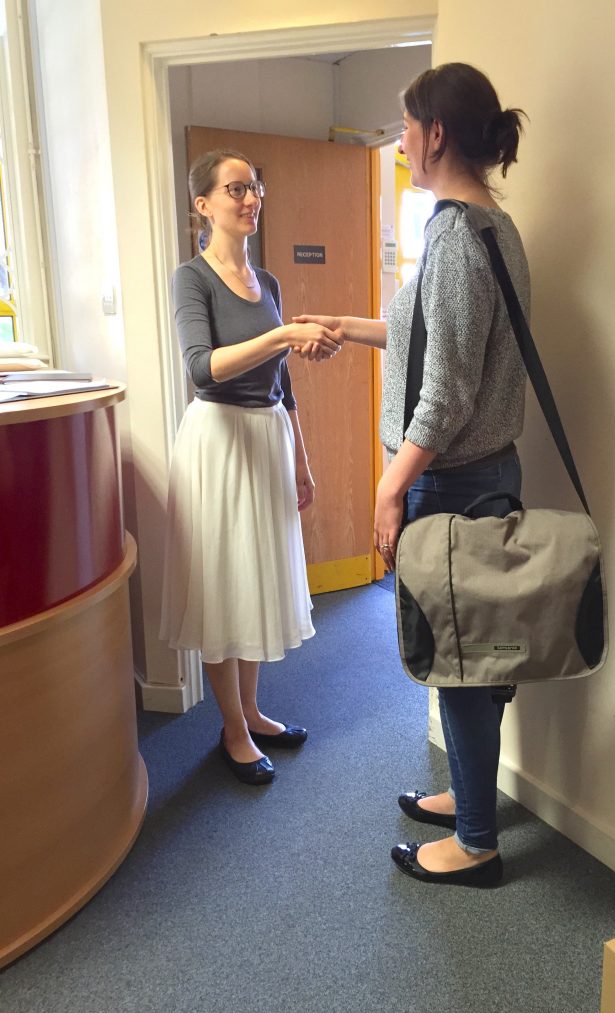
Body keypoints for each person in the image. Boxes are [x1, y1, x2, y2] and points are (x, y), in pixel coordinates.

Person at [294, 64, 529, 885]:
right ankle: (471, 801)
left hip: (455, 486)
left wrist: (390, 487)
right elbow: (427, 340)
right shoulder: (479, 227)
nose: (400, 136)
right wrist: (340, 326)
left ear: (435, 134)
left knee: (462, 667)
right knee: (470, 661)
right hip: (477, 479)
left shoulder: (461, 237)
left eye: (405, 124)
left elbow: (449, 390)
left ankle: (475, 844)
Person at [160, 149, 342, 785]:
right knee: (221, 584)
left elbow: (282, 383)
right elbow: (200, 368)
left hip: (267, 437)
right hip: (217, 443)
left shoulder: (268, 283)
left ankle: (255, 711)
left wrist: (302, 459)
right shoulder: (191, 278)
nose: (249, 198)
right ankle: (233, 729)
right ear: (203, 204)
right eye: (234, 188)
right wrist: (282, 335)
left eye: (254, 187)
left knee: (254, 579)